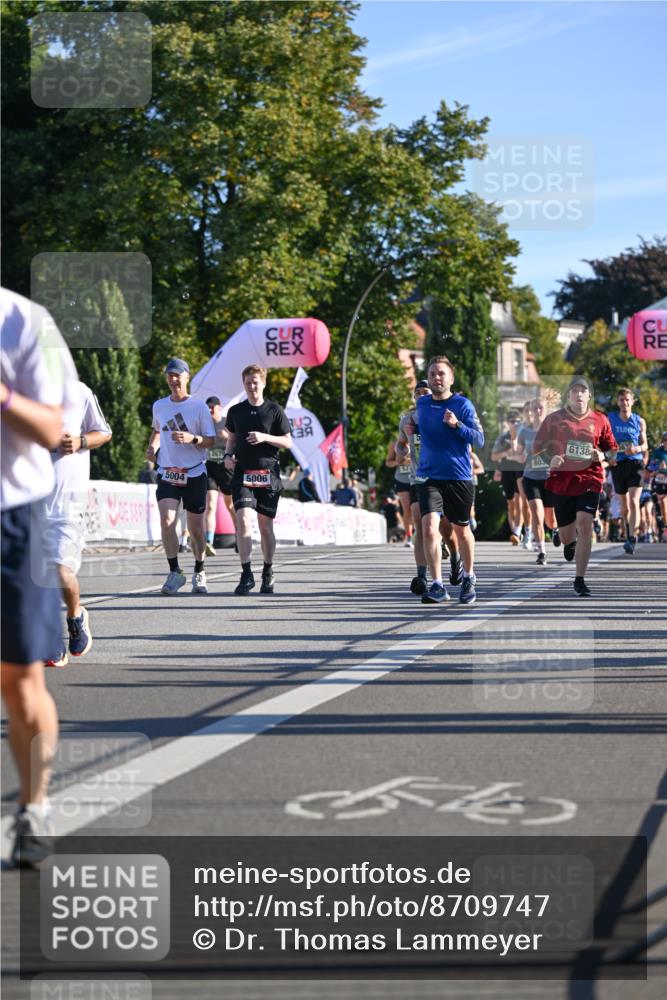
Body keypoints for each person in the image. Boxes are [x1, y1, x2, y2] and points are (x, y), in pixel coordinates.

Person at [1, 286, 77, 867]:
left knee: (20, 678)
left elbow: (54, 428)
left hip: (11, 520)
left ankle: (34, 808)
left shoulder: (26, 322)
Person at [43, 381, 112, 667]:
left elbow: (104, 432)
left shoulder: (78, 391)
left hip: (67, 507)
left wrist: (80, 442)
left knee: (60, 570)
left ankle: (75, 616)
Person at [533, 376, 616, 597]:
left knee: (585, 522)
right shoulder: (554, 419)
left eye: (583, 391)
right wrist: (549, 460)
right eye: (574, 391)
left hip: (590, 478)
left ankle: (580, 579)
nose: (579, 394)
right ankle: (570, 543)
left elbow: (612, 451)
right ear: (568, 396)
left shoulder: (600, 420)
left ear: (589, 395)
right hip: (562, 482)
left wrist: (602, 456)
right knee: (567, 536)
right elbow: (537, 450)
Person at [415, 356, 484, 605]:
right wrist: (403, 445)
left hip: (459, 476)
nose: (436, 377)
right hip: (429, 476)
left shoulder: (462, 405)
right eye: (432, 373)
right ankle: (437, 584)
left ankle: (469, 576)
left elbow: (479, 439)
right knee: (428, 528)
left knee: (462, 531)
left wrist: (457, 426)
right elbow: (410, 430)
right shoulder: (421, 405)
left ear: (451, 378)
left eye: (441, 373)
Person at [146, 358, 216, 595]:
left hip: (194, 472)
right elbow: (157, 430)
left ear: (187, 377)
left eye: (178, 375)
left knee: (196, 530)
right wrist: (152, 447)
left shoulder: (198, 407)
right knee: (167, 520)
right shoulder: (159, 406)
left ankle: (199, 570)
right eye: (170, 376)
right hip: (167, 472)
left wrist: (192, 439)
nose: (173, 380)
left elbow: (210, 440)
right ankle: (175, 571)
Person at [224, 364, 292, 595]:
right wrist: (226, 456)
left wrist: (264, 437)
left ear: (263, 383)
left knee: (265, 526)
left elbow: (287, 442)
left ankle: (268, 570)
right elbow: (231, 439)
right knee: (242, 520)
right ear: (243, 385)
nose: (251, 387)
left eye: (255, 382)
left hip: (268, 474)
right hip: (243, 473)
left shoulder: (274, 410)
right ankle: (246, 574)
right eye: (247, 383)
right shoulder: (236, 411)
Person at [516, 396, 556, 566]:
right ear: (530, 411)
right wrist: (522, 455)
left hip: (549, 478)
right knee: (537, 515)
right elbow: (518, 454)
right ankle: (541, 551)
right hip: (531, 477)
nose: (538, 411)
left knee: (550, 520)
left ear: (545, 410)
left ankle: (555, 531)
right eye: (535, 408)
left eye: (541, 408)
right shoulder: (524, 431)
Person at [607, 388, 648, 555]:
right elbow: (603, 441)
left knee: (634, 501)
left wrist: (637, 448)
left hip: (635, 463)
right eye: (622, 400)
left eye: (627, 400)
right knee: (624, 507)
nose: (625, 403)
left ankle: (632, 538)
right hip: (618, 464)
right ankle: (628, 528)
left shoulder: (639, 421)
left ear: (632, 402)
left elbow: (645, 445)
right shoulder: (610, 419)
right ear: (618, 402)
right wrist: (609, 456)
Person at [204, 395, 236, 556]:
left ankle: (240, 536)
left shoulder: (227, 422)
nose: (210, 410)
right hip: (211, 468)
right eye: (207, 407)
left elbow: (238, 441)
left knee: (230, 506)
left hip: (226, 469)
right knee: (210, 505)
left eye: (212, 407)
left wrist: (228, 437)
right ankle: (208, 541)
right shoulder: (204, 425)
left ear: (219, 407)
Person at [491, 410, 525, 545]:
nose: (515, 424)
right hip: (507, 471)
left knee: (519, 501)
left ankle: (518, 530)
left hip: (520, 471)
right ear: (507, 423)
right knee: (511, 503)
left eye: (518, 421)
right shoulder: (502, 438)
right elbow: (494, 456)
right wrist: (506, 453)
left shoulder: (523, 436)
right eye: (512, 421)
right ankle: (514, 532)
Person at [385, 431, 413, 546]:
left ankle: (420, 533)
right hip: (401, 479)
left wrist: (411, 460)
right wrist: (397, 462)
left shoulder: (417, 440)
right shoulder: (395, 444)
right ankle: (410, 537)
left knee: (418, 509)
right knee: (406, 508)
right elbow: (388, 462)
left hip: (417, 478)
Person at [647, 431, 667, 540]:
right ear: (662, 441)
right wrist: (657, 468)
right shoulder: (657, 452)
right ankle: (666, 527)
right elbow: (651, 467)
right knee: (663, 505)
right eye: (665, 441)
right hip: (660, 481)